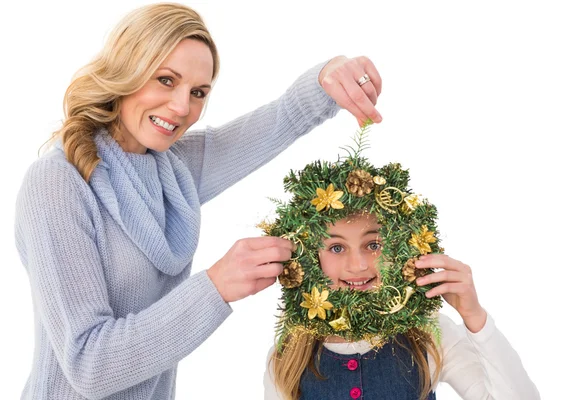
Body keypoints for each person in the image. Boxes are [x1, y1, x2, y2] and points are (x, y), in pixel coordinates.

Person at [14, 3, 383, 399]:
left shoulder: (171, 170)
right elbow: (89, 365)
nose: (181, 108)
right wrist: (216, 285)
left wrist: (329, 77)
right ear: (127, 71)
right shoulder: (57, 182)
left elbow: (283, 118)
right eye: (166, 80)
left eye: (198, 92)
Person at [261, 132, 540, 399]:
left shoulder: (429, 333)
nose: (358, 266)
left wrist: (475, 317)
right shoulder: (289, 356)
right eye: (337, 248)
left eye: (373, 245)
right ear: (310, 258)